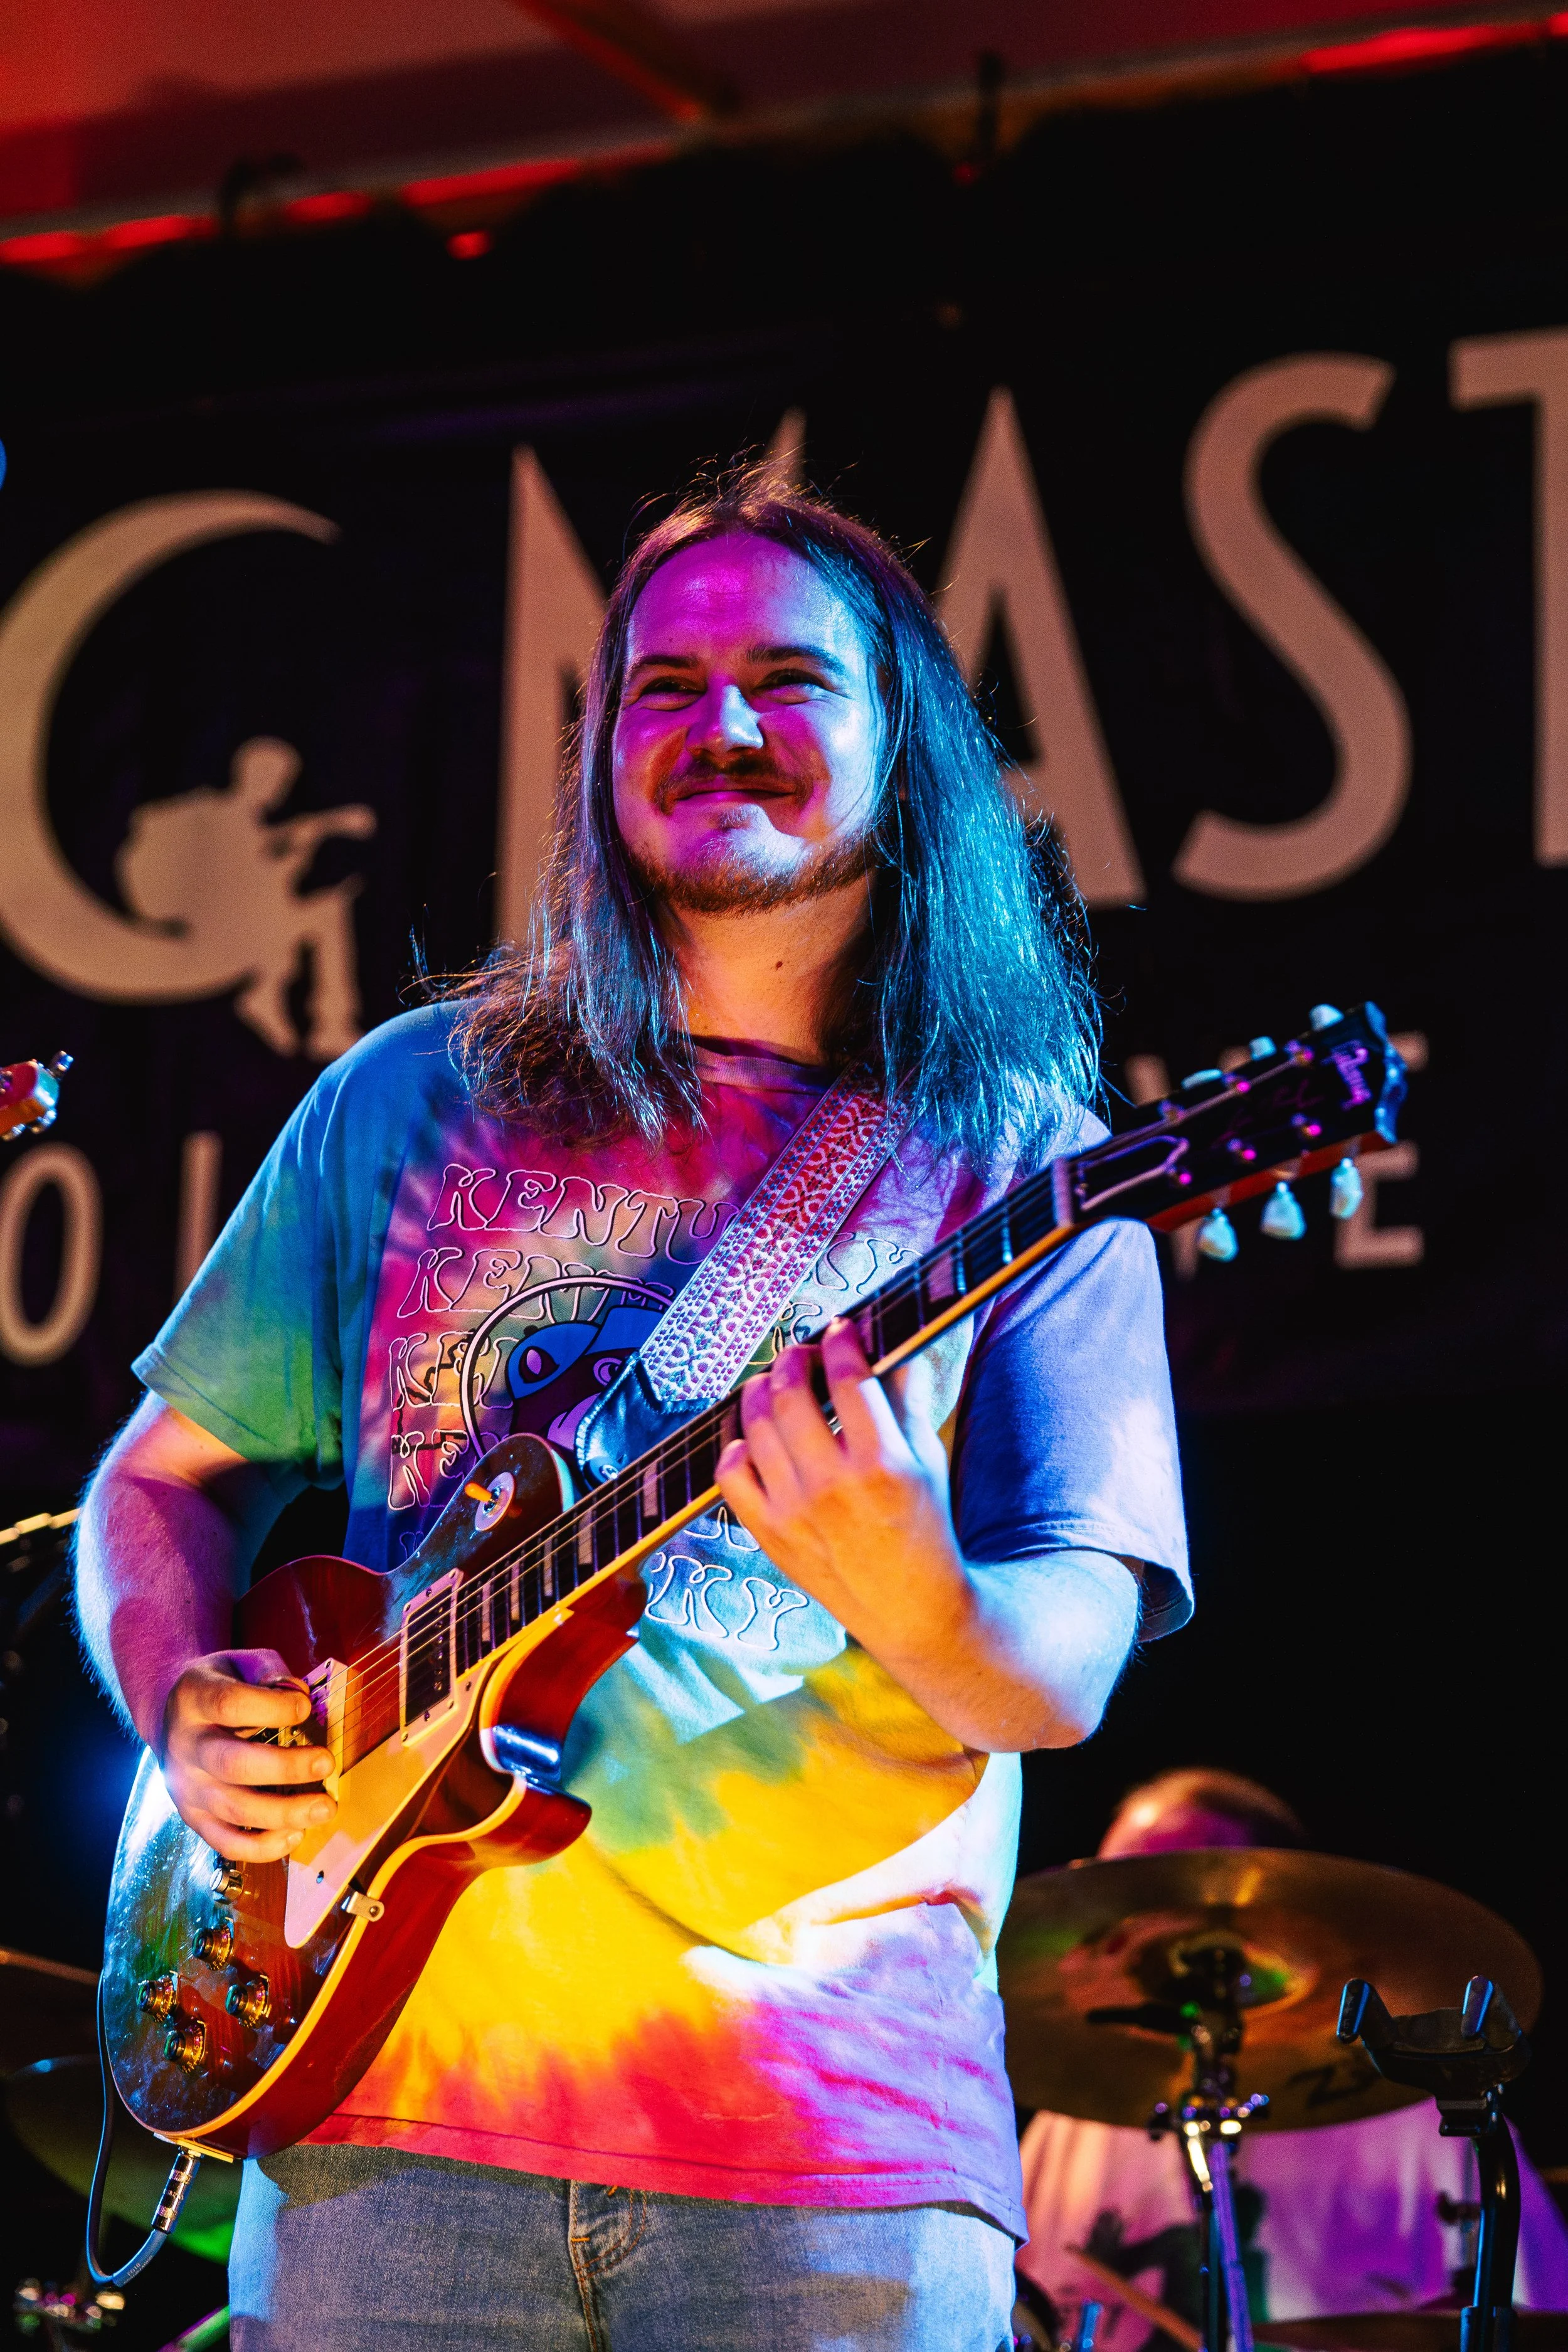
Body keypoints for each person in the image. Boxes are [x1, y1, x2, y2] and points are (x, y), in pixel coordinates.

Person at [76, 469, 1190, 2352]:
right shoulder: (405, 1095)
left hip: (825, 2151)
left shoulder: (1027, 1171)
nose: (720, 723)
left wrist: (913, 1585)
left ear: (903, 746)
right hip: (372, 2119)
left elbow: (1060, 1670)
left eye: (789, 680)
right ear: (600, 755)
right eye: (662, 686)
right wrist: (181, 1690)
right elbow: (157, 1481)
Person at [1018, 1770, 1568, 2348]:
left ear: (1277, 1907)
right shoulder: (1071, 2122)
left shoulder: (1424, 2118)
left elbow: (1541, 2325)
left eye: (1168, 1886)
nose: (1130, 1920)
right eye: (1116, 1889)